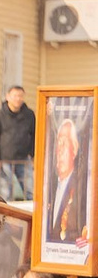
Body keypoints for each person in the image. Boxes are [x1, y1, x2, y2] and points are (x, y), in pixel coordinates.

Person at [46, 102, 89, 253]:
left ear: (74, 150)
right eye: (58, 143)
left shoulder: (82, 188)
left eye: (64, 143)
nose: (59, 149)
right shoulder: (49, 185)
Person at [0, 85, 36, 201]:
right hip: (5, 160)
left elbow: (34, 135)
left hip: (23, 159)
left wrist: (34, 156)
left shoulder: (29, 115)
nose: (18, 99)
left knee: (30, 191)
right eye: (15, 96)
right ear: (8, 97)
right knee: (6, 192)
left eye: (20, 96)